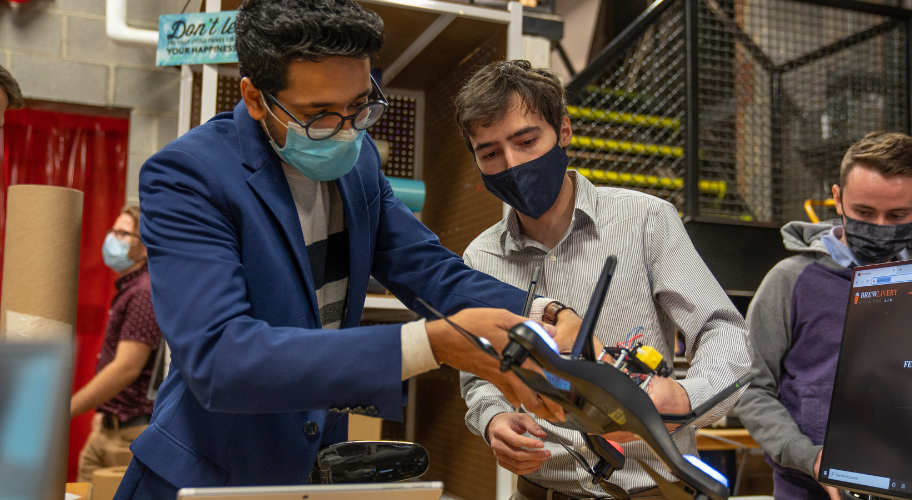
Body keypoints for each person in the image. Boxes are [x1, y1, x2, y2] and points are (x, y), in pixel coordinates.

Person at [116, 1, 580, 497]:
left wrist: (539, 312)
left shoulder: (356, 166)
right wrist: (432, 343)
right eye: (319, 115)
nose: (345, 131)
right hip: (206, 477)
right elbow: (220, 358)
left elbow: (428, 270)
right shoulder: (189, 177)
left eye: (361, 106)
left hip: (312, 474)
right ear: (254, 97)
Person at [455, 60, 753, 500]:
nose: (512, 163)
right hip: (539, 490)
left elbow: (722, 328)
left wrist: (687, 398)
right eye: (490, 153)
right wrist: (493, 420)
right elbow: (479, 374)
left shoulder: (647, 220)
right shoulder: (480, 257)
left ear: (565, 131)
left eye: (526, 140)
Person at [734, 132, 912, 500]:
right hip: (807, 491)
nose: (881, 226)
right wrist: (808, 457)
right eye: (865, 213)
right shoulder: (791, 281)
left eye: (898, 215)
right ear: (837, 198)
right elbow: (750, 388)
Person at [70, 206, 161, 482]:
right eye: (113, 231)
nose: (112, 239)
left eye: (123, 233)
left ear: (144, 246)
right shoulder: (129, 288)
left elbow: (126, 368)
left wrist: (66, 410)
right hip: (108, 430)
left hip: (128, 437)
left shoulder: (144, 291)